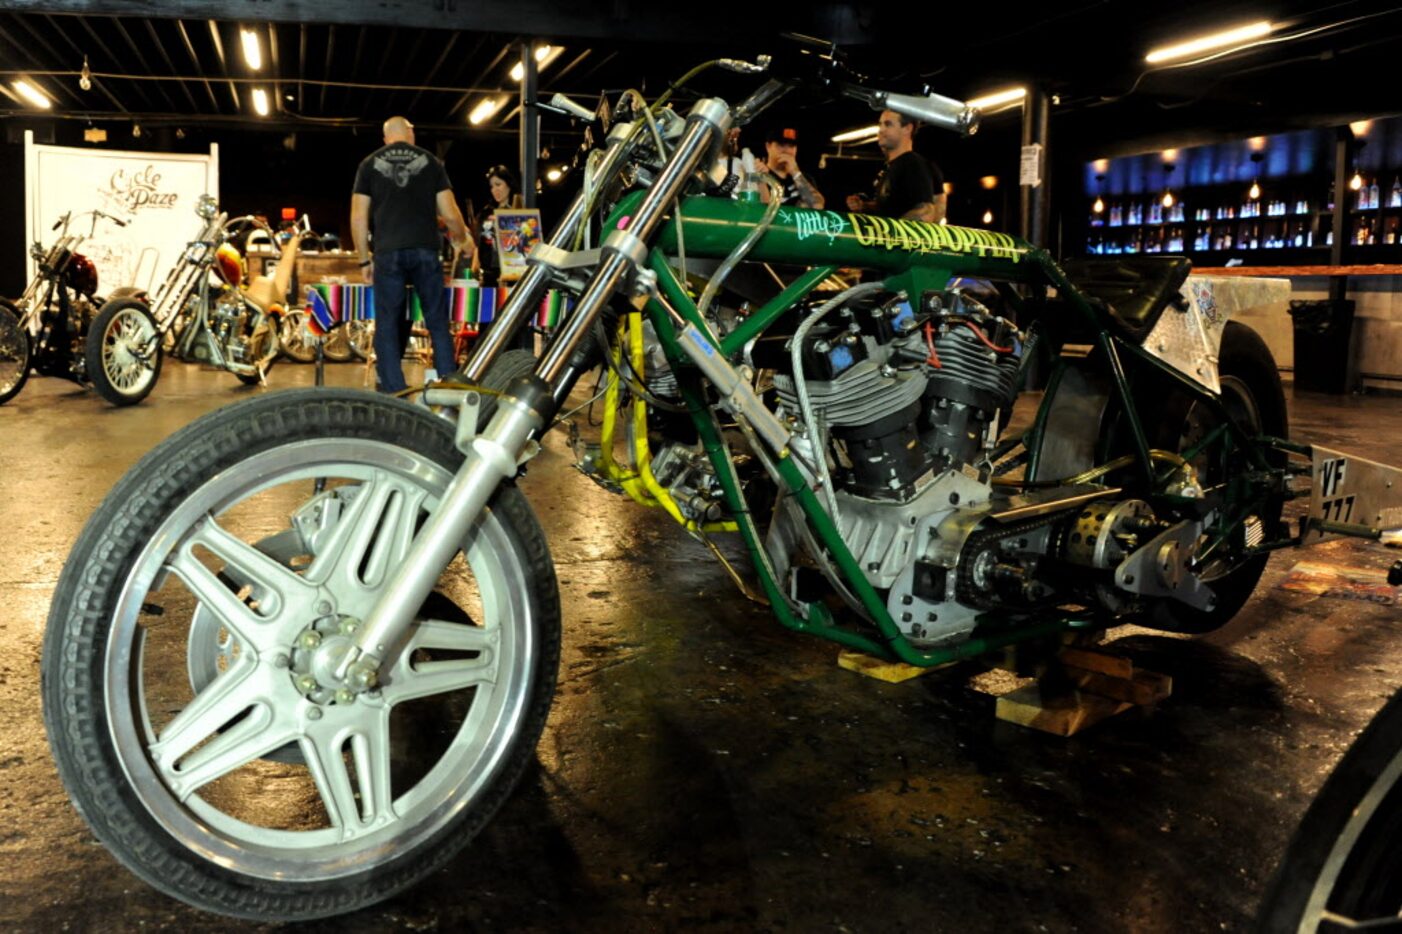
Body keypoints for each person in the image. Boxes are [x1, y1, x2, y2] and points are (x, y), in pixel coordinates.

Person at [350, 115, 471, 392]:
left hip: (388, 252)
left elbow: (358, 217)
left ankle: (395, 390)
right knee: (437, 321)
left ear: (386, 138)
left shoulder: (368, 165)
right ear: (410, 133)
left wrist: (363, 259)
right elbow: (451, 214)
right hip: (426, 251)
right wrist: (461, 238)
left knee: (388, 323)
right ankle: (447, 387)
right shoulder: (430, 162)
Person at [845, 110, 946, 222]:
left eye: (888, 124)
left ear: (907, 128)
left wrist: (891, 235)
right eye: (880, 124)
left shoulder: (912, 163)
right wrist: (865, 206)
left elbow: (925, 212)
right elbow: (896, 207)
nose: (881, 130)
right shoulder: (893, 166)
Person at [472, 164, 522, 287]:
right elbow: (481, 242)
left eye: (498, 184)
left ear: (508, 184)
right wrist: (475, 265)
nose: (495, 190)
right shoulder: (487, 211)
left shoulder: (518, 210)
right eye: (492, 186)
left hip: (510, 273)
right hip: (487, 272)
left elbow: (524, 242)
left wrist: (503, 223)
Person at [757, 126, 825, 209]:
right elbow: (762, 212)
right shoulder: (760, 173)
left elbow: (818, 206)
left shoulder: (805, 177)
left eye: (791, 146)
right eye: (781, 145)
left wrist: (795, 172)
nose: (787, 150)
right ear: (768, 146)